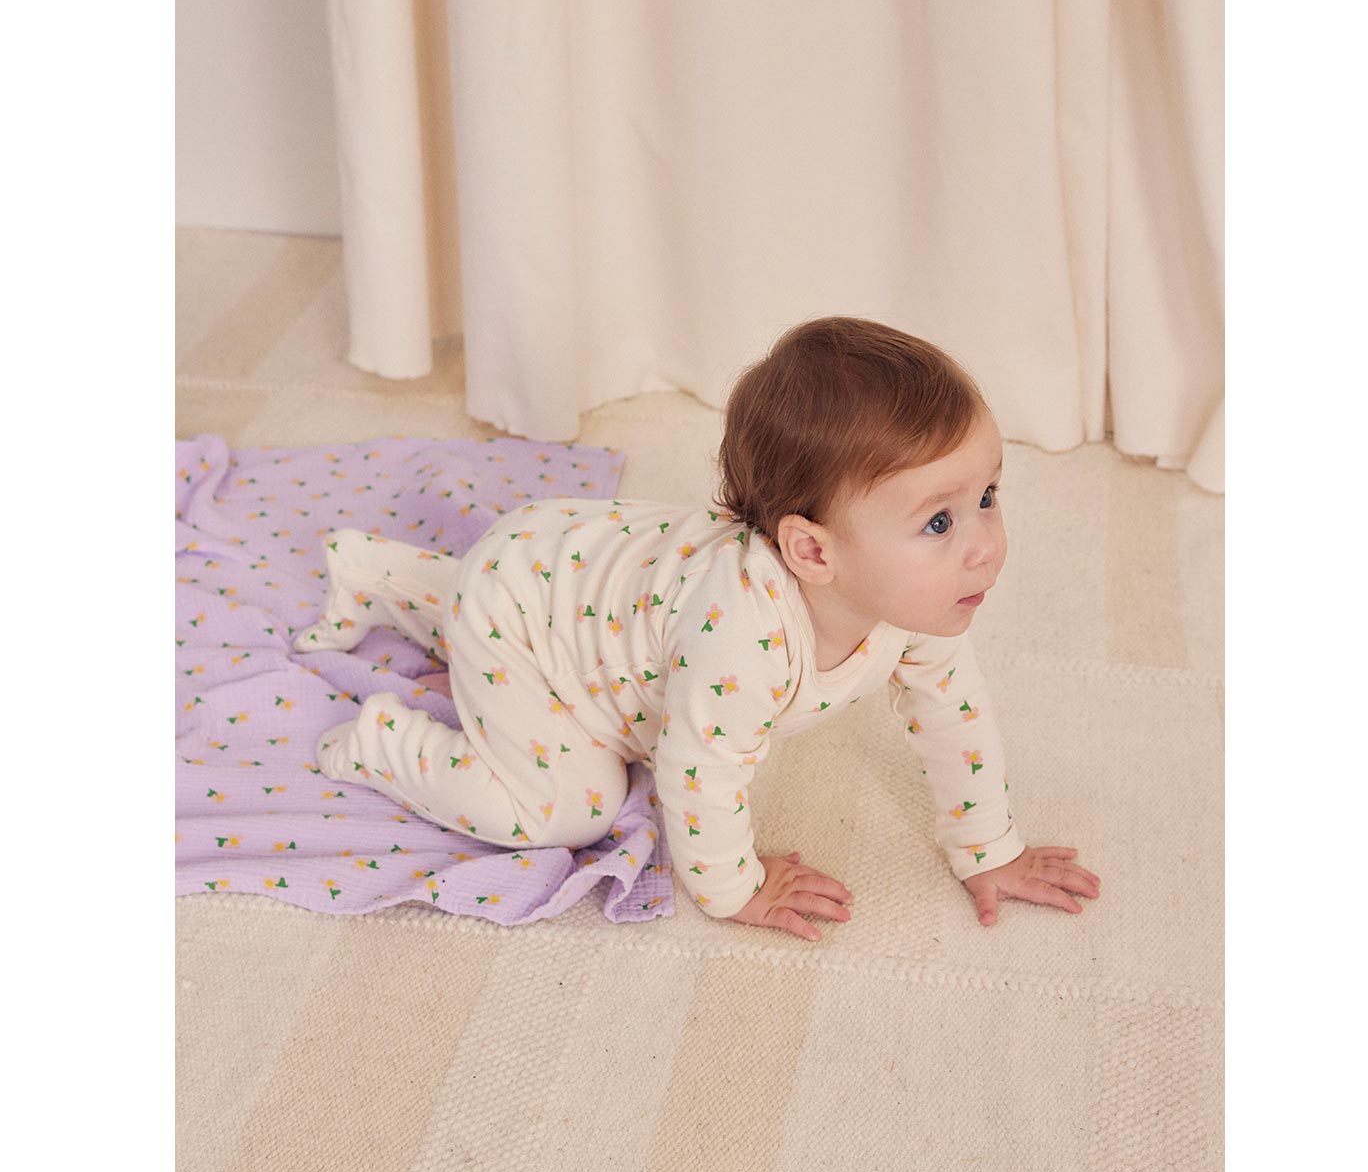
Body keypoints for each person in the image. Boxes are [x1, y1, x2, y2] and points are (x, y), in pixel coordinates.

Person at [297, 316, 1101, 939]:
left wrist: (989, 848)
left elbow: (954, 715)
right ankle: (381, 742)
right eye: (939, 523)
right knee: (565, 812)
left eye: (987, 498)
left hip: (562, 565)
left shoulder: (918, 601)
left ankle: (382, 574)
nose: (984, 545)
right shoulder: (744, 641)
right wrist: (735, 888)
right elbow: (697, 774)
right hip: (523, 612)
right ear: (811, 550)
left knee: (553, 614)